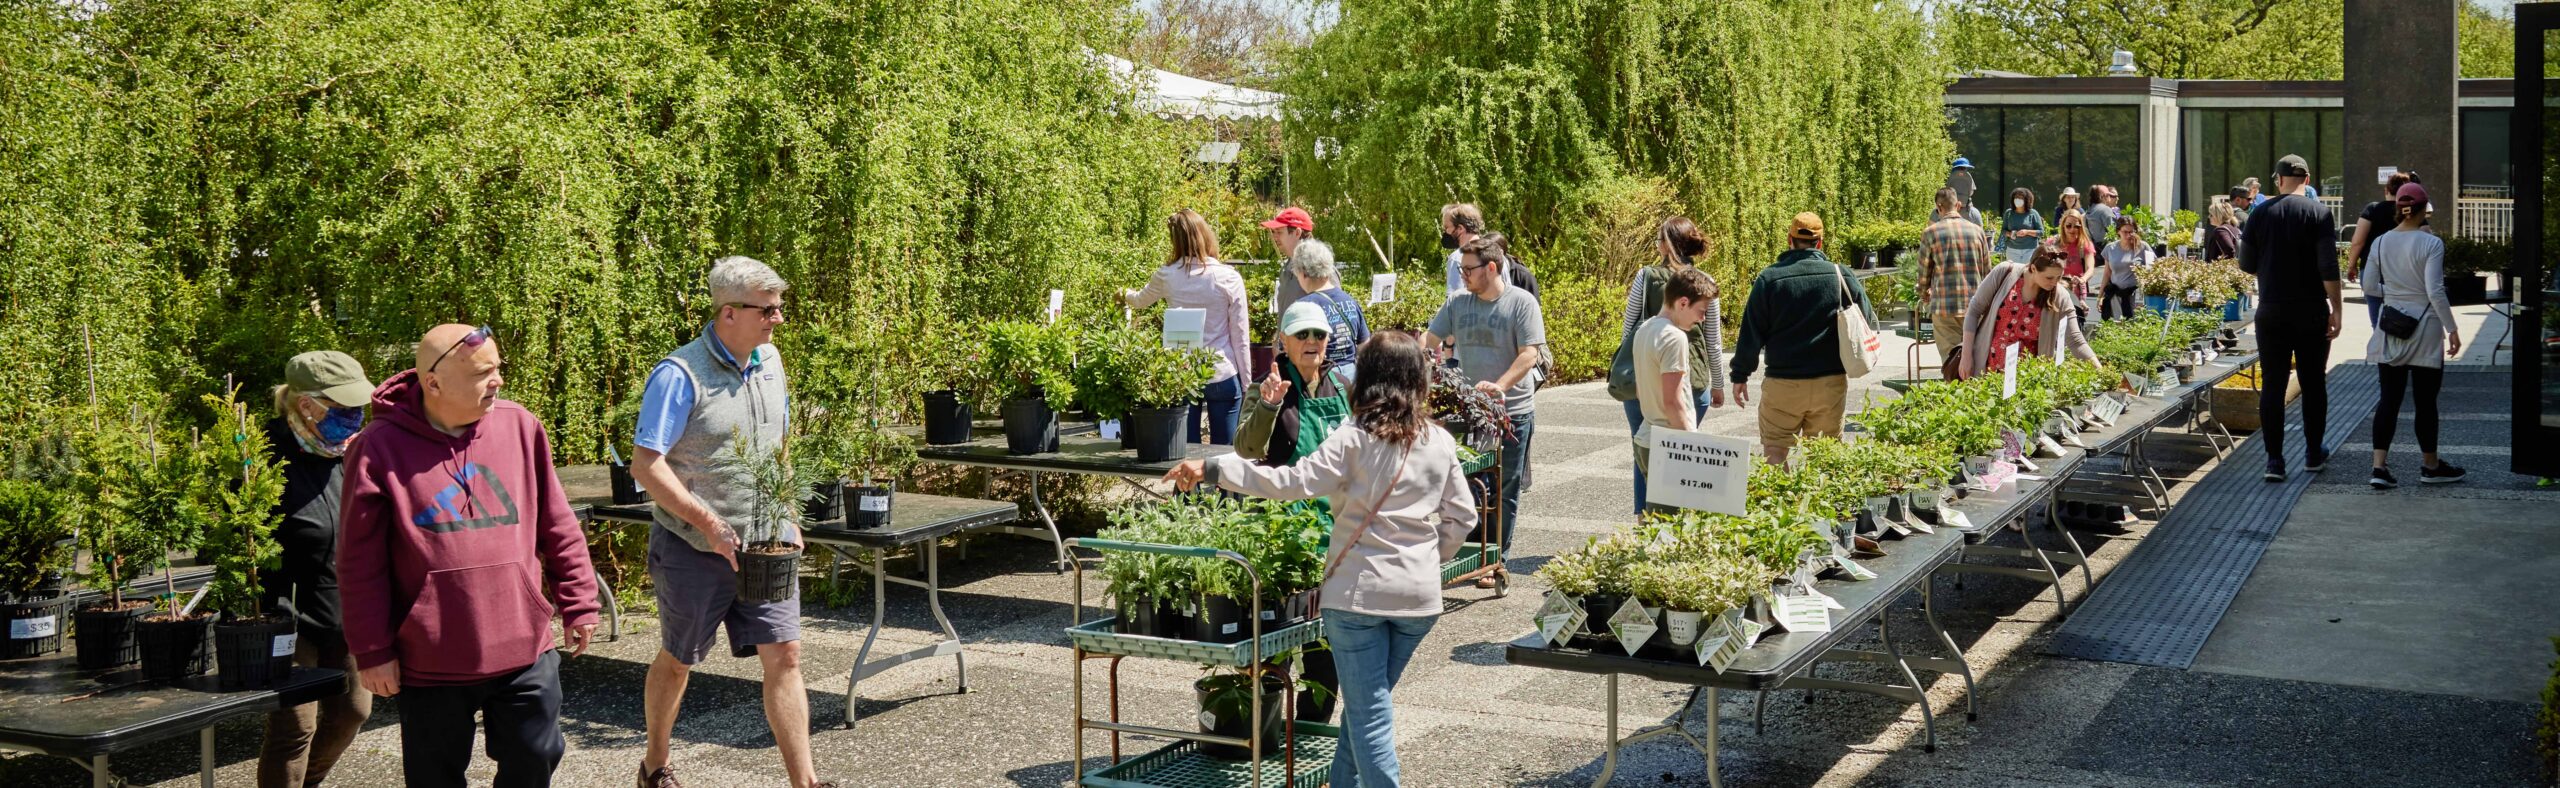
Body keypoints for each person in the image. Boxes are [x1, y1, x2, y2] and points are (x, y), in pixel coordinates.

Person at [1162, 331, 1478, 788]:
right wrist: (1430, 557)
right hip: (1419, 598)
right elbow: (1462, 518)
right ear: (1418, 381)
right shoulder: (1440, 441)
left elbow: (1289, 482)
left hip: (1358, 596)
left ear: (1366, 379)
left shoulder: (1352, 438)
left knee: (1369, 716)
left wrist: (1214, 467)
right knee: (1368, 706)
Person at [337, 324, 601, 788]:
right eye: (483, 373)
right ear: (433, 382)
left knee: (535, 757)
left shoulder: (520, 425)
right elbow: (360, 562)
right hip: (432, 655)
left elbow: (556, 523)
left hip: (523, 644)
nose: (497, 380)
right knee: (434, 778)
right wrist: (372, 649)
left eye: (498, 369)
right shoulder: (377, 447)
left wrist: (579, 599)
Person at [628, 257, 837, 788]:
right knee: (679, 660)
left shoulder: (770, 360)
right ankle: (654, 765)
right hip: (692, 550)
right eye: (767, 310)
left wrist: (787, 513)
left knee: (786, 656)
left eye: (779, 308)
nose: (778, 319)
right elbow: (646, 466)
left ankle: (805, 783)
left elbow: (779, 445)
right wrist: (710, 525)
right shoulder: (679, 376)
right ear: (728, 313)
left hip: (766, 546)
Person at [258, 351, 376, 788]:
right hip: (286, 614)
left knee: (354, 710)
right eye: (344, 407)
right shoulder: (263, 455)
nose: (354, 416)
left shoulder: (356, 451)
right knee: (295, 726)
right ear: (307, 404)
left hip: (346, 608)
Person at [1233, 300, 1353, 724]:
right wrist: (1268, 406)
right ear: (1283, 340)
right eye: (1302, 334)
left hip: (1336, 537)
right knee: (1275, 647)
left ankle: (1307, 739)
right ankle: (1264, 737)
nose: (1312, 342)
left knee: (1325, 652)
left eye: (1319, 335)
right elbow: (1246, 449)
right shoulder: (1268, 385)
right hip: (1285, 537)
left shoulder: (1341, 383)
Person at [1424, 235, 1544, 585]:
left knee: (1503, 488)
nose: (1463, 275)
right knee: (1467, 484)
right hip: (1468, 414)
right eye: (1461, 269)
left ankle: (1496, 561)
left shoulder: (1521, 304)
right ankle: (1471, 554)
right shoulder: (1458, 303)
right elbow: (1429, 340)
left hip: (1512, 413)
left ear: (1491, 268)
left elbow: (1529, 354)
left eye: (1469, 270)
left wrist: (1501, 386)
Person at [1729, 213, 1874, 464]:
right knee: (1825, 457)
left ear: (1789, 239)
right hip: (1830, 382)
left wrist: (1740, 375)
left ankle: (1782, 504)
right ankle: (1823, 503)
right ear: (1820, 242)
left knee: (1774, 454)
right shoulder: (1840, 275)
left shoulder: (1769, 279)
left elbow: (1751, 331)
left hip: (1783, 383)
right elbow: (1868, 320)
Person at [2239, 154, 2343, 482]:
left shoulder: (2259, 214)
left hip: (2271, 310)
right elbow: (2329, 267)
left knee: (2274, 383)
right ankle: (2313, 453)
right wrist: (2337, 309)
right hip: (2311, 310)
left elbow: (2246, 265)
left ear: (2279, 180)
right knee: (2313, 383)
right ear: (2307, 180)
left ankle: (2274, 461)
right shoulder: (2320, 213)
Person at [1614, 217, 1728, 513]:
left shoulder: (1646, 275)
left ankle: (1645, 520)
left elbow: (1629, 329)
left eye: (1658, 239)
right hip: (1694, 378)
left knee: (1645, 452)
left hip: (1644, 379)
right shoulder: (1705, 281)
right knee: (1679, 460)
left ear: (1666, 244)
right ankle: (1674, 526)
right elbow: (1713, 340)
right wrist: (1718, 383)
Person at [2363, 182, 2467, 489]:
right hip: (2426, 327)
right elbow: (2435, 290)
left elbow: (2369, 287)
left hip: (2391, 327)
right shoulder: (2431, 244)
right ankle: (2430, 466)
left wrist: (2393, 292)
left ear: (2399, 209)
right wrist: (2452, 328)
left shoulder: (2380, 242)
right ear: (2423, 211)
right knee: (2425, 402)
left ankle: (2379, 468)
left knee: (2389, 400)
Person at [1124, 210, 1252, 445]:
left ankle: (1191, 484)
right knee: (1224, 455)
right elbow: (1240, 336)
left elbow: (1140, 300)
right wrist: (1247, 385)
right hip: (1222, 371)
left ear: (1175, 241)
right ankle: (1222, 484)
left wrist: (1124, 295)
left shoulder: (1167, 275)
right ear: (1205, 235)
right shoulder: (1228, 277)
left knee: (1187, 452)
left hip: (1181, 373)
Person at [1957, 249, 2102, 379]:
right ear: (2033, 268)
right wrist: (1966, 356)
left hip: (2027, 375)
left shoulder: (2060, 296)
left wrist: (2101, 371)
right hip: (1988, 366)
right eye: (2049, 277)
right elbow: (1974, 311)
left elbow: (2075, 340)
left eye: (2059, 277)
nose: (2054, 283)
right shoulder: (2005, 273)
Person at [1632, 268, 1717, 489]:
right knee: (1675, 521)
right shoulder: (1674, 337)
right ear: (1682, 303)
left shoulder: (1645, 328)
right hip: (1669, 444)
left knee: (1654, 517)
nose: (1702, 318)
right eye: (1701, 310)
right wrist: (1694, 447)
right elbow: (1674, 401)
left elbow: (1642, 391)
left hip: (1646, 437)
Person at [1919, 187, 1996, 360]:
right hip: (1974, 305)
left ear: (1938, 207)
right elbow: (1987, 272)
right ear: (1959, 205)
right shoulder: (1977, 231)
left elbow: (1924, 272)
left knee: (1951, 359)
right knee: (1975, 358)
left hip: (1944, 306)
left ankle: (1954, 386)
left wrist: (1924, 293)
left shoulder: (1930, 233)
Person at [1287, 239, 1371, 380]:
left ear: (1304, 273)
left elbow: (1290, 349)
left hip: (1321, 377)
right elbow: (1364, 343)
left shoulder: (1302, 307)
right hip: (1351, 377)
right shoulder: (1349, 301)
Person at [2348, 170, 2421, 327]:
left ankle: (2382, 347)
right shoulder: (2412, 213)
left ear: (2386, 190)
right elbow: (2425, 237)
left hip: (2372, 271)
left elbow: (2358, 241)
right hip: (2403, 272)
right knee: (2405, 317)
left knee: (2377, 321)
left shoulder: (2372, 209)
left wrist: (2351, 264)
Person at [1439, 203, 1539, 299]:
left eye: (1447, 228)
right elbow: (1507, 296)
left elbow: (1454, 303)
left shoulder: (1457, 258)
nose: (1446, 232)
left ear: (1460, 228)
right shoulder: (1497, 255)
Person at [2098, 216, 2154, 320]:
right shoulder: (2110, 248)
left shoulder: (2143, 247)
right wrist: (2100, 296)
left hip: (2135, 295)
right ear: (2118, 231)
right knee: (2117, 325)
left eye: (2131, 232)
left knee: (2135, 325)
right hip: (2116, 295)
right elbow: (2107, 273)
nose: (2128, 235)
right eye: (2125, 232)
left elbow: (2154, 268)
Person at [1265, 206, 1317, 310]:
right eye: (1274, 232)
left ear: (1297, 233)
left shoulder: (1318, 267)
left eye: (1279, 232)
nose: (1274, 237)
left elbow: (1333, 314)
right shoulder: (1288, 266)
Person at [1999, 187, 2046, 265]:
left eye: (2021, 198)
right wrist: (2011, 234)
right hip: (2012, 250)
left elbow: (2041, 232)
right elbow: (2003, 230)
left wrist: (2027, 232)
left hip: (2030, 250)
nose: (2017, 199)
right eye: (2016, 197)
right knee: (2013, 274)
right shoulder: (2008, 213)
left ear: (2027, 200)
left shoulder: (2033, 213)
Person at [1944, 157, 1985, 228]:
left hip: (1951, 205)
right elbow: (1971, 192)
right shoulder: (1968, 176)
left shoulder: (1951, 176)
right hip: (1967, 207)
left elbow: (1946, 190)